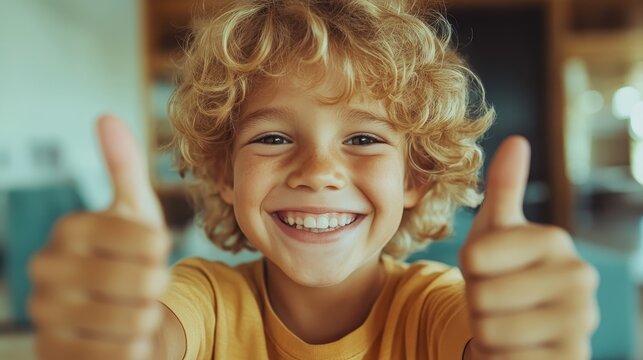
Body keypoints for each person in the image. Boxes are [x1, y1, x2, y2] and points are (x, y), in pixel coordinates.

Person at [28, 1, 599, 359]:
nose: (319, 172)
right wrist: (109, 332)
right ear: (226, 174)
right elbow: (151, 337)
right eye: (273, 138)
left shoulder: (435, 307)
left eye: (364, 139)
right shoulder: (205, 297)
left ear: (416, 177)